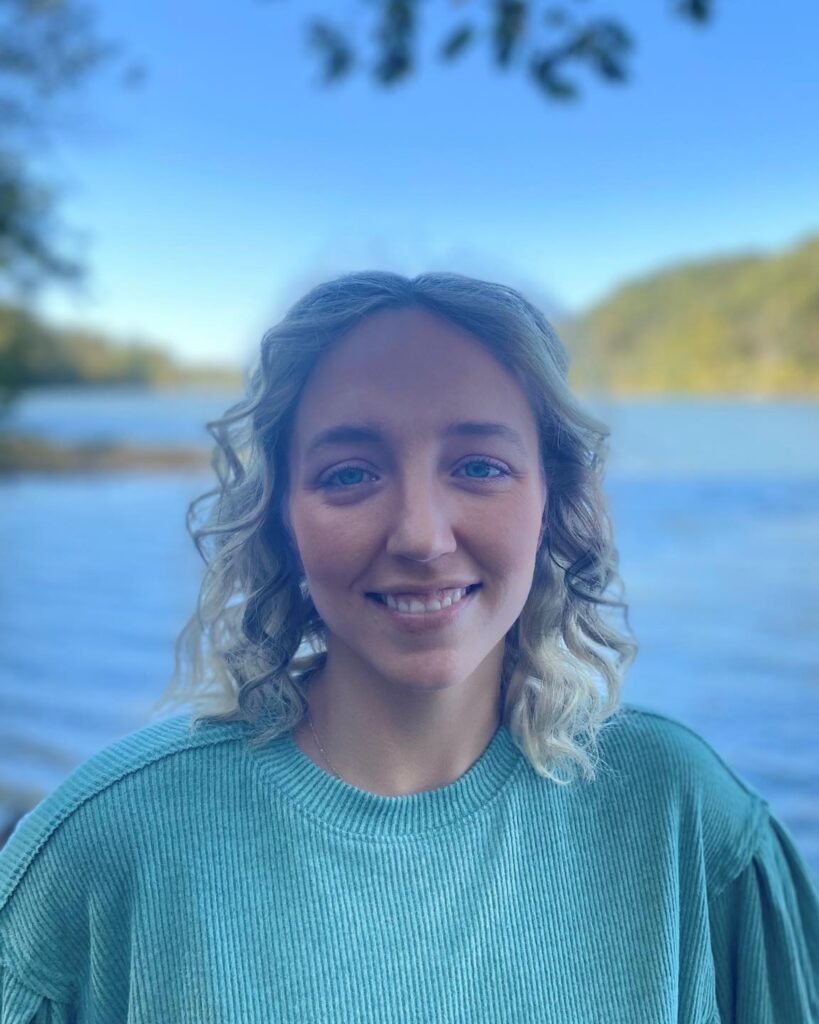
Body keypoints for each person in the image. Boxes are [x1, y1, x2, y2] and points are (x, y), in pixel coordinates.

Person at [1, 271, 817, 1023]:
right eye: (349, 474)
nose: (421, 537)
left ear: (552, 498)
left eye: (479, 466)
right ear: (282, 517)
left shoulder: (679, 815)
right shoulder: (104, 848)